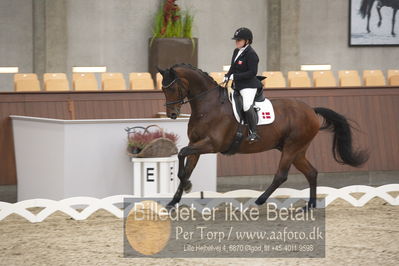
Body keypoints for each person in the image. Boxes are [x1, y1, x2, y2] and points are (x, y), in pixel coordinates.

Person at [224, 27, 263, 143]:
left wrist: (235, 77)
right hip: (237, 85)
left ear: (247, 41)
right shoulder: (236, 51)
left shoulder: (252, 54)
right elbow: (233, 67)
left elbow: (252, 72)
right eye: (236, 40)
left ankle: (253, 132)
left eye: (239, 40)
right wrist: (227, 75)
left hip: (249, 86)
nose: (237, 42)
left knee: (246, 106)